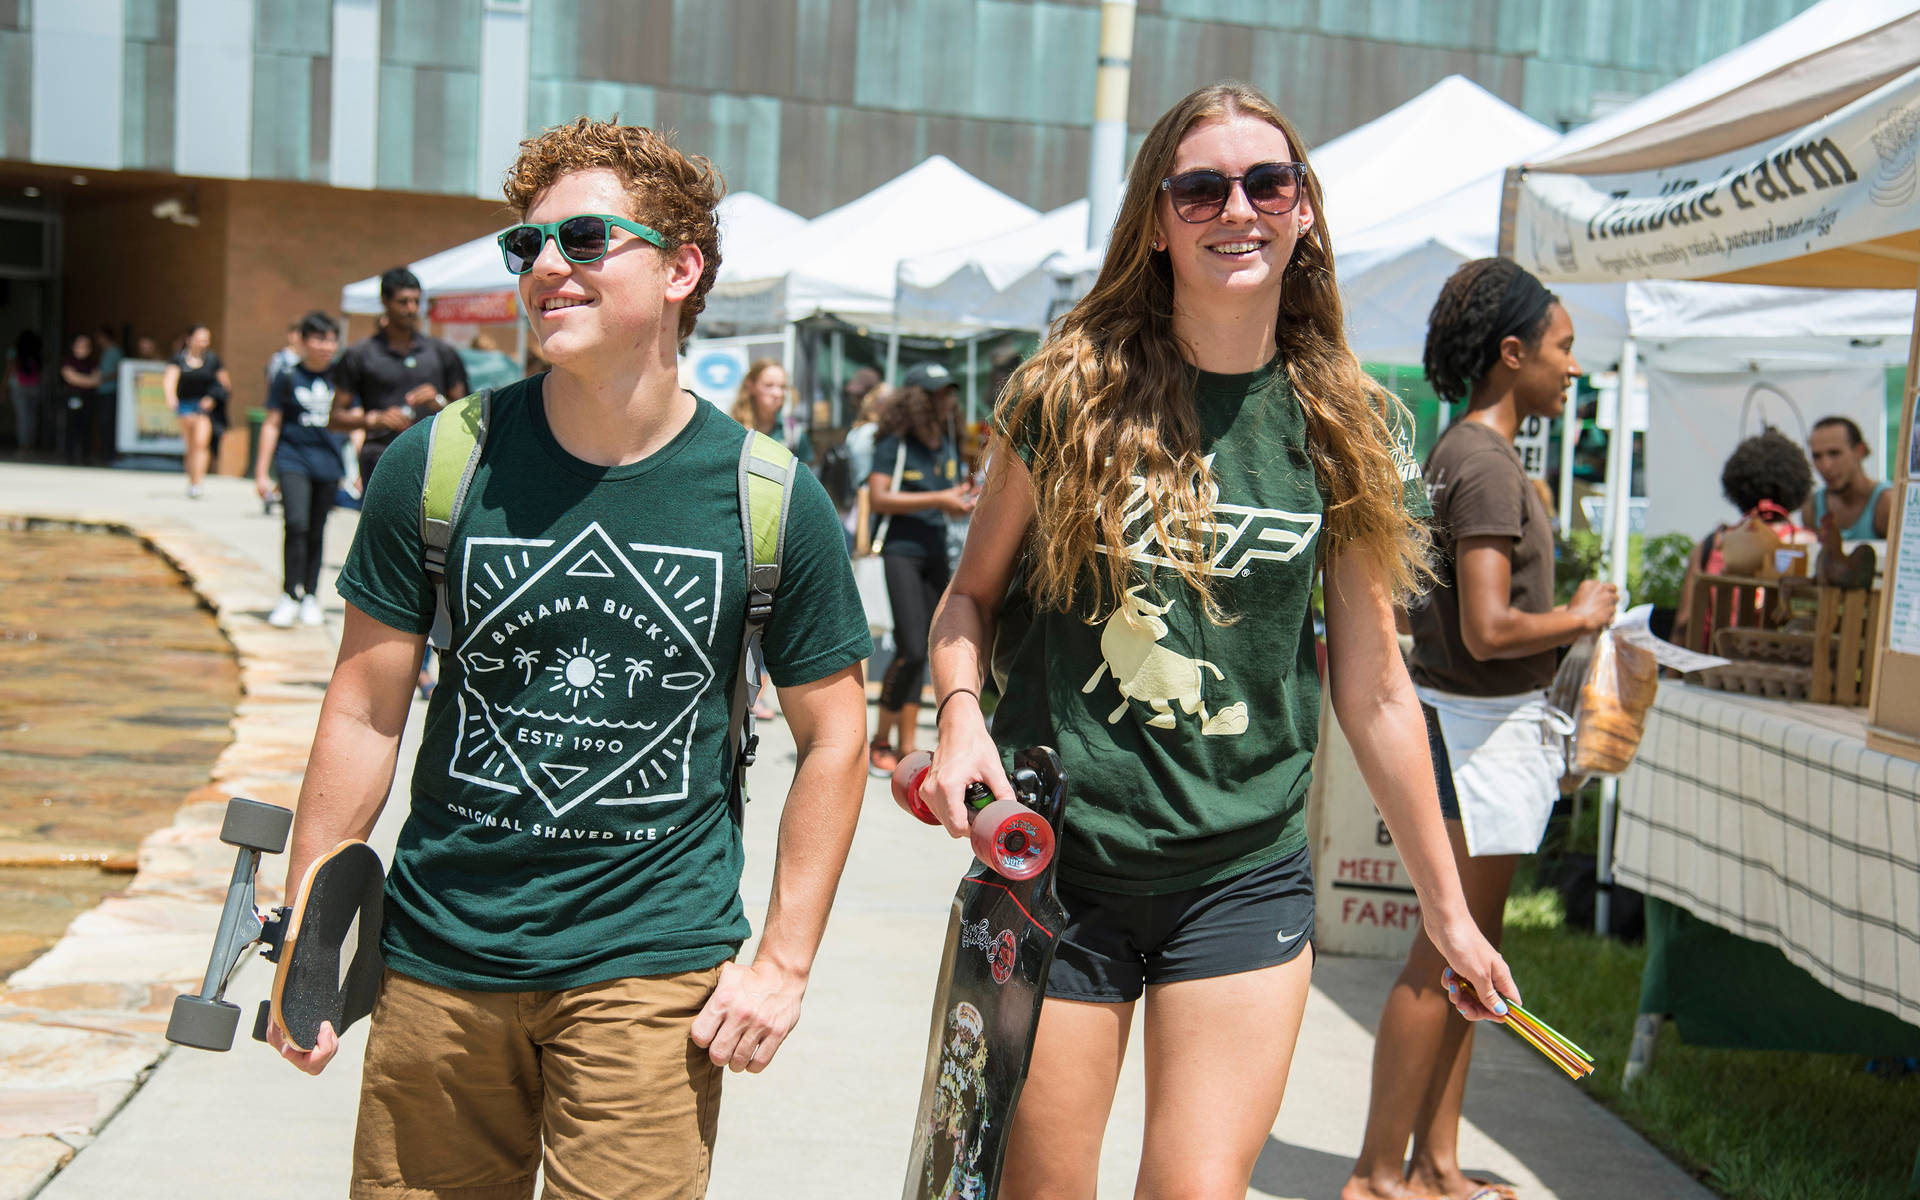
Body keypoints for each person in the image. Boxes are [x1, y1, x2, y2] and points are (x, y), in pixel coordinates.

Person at [919, 81, 1516, 1200]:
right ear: (1158, 218)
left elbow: (1378, 689)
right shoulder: (1067, 396)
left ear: (1302, 211)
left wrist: (1446, 910)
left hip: (1241, 876)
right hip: (1062, 867)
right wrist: (958, 719)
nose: (1236, 206)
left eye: (1268, 181)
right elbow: (970, 602)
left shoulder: (1343, 423)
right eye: (1201, 186)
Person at [267, 118, 872, 1199]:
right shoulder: (441, 463)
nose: (545, 265)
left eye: (587, 239)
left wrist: (782, 961)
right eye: (528, 245)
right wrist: (313, 933)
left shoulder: (768, 497)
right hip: (439, 958)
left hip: (651, 969)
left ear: (682, 268)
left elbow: (835, 738)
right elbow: (363, 710)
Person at [1345, 258, 1617, 1200]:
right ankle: (1383, 1175)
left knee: (1472, 958)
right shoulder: (1488, 464)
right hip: (1475, 733)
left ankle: (1435, 1166)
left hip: (1473, 730)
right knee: (1446, 956)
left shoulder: (1466, 452)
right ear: (1512, 354)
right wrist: (1584, 615)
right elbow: (1489, 628)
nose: (1573, 369)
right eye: (1564, 348)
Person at [867, 360, 972, 777]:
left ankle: (908, 745)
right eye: (938, 394)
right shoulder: (895, 442)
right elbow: (878, 498)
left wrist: (964, 497)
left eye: (949, 392)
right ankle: (880, 740)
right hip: (901, 551)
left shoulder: (947, 440)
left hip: (935, 552)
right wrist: (941, 500)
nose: (948, 400)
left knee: (928, 651)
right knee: (909, 647)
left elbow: (950, 491)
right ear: (917, 400)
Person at [1671, 428, 1816, 645]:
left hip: (1712, 667)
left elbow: (1684, 623)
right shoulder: (1805, 545)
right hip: (1781, 668)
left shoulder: (1713, 545)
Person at [328, 266, 469, 488]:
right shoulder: (360, 354)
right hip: (381, 456)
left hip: (435, 458)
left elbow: (467, 415)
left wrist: (439, 402)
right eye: (403, 302)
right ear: (385, 302)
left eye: (416, 301)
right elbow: (335, 419)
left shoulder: (442, 353)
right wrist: (374, 419)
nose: (411, 309)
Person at [252, 312, 345, 628]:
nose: (326, 346)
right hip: (293, 459)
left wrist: (358, 464)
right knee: (296, 522)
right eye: (319, 339)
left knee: (317, 529)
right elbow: (272, 423)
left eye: (331, 339)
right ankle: (289, 594)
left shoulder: (342, 378)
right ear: (303, 341)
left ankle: (310, 597)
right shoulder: (287, 377)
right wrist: (261, 471)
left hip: (329, 462)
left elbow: (354, 419)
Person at [163, 324, 229, 498]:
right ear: (190, 339)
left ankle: (197, 482)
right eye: (200, 338)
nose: (203, 343)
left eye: (206, 339)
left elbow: (224, 384)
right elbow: (170, 379)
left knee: (201, 443)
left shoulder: (213, 360)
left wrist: (212, 398)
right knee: (191, 445)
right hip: (185, 406)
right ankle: (192, 478)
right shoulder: (179, 359)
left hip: (204, 406)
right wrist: (170, 398)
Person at [1803, 415, 1892, 541]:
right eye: (1817, 456)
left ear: (1859, 451)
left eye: (1834, 453)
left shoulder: (1887, 504)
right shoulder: (1811, 507)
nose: (1826, 466)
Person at [730, 358, 814, 467]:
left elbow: (805, 479)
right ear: (750, 386)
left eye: (782, 387)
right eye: (769, 385)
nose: (778, 393)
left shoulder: (794, 433)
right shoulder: (733, 428)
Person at [59, 333, 102, 465]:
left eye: (86, 346)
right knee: (71, 426)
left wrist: (80, 380)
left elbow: (97, 380)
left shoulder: (92, 362)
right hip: (73, 396)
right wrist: (87, 380)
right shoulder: (68, 361)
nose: (83, 348)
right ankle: (69, 456)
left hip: (88, 398)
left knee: (86, 427)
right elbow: (70, 377)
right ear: (74, 346)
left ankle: (85, 456)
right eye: (80, 345)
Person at [7, 329, 43, 457]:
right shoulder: (37, 352)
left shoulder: (15, 350)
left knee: (22, 417)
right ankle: (31, 445)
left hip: (19, 386)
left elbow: (10, 368)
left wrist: (3, 386)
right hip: (34, 386)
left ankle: (23, 446)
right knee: (32, 417)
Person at [95, 327, 123, 462]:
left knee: (109, 422)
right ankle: (105, 452)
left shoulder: (115, 351)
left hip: (111, 391)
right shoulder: (105, 351)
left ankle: (109, 453)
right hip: (102, 390)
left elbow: (119, 370)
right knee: (104, 422)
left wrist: (104, 379)